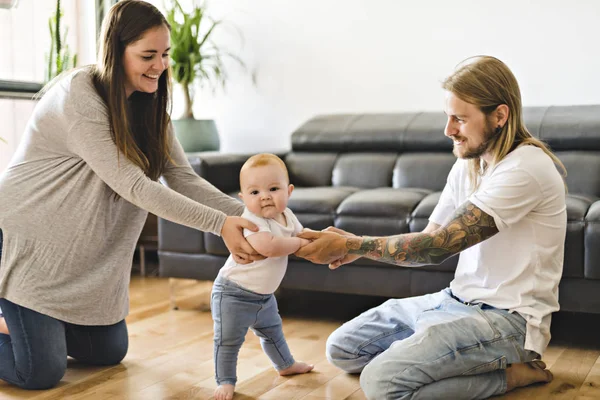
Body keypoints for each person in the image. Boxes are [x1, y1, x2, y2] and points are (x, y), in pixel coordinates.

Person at [0, 0, 263, 390]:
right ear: (115, 51)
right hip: (30, 242)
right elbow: (136, 186)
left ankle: (32, 324)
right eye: (147, 55)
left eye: (165, 54)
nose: (160, 65)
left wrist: (258, 219)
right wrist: (220, 225)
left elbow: (182, 178)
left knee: (107, 351)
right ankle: (21, 316)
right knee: (39, 371)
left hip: (79, 260)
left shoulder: (149, 106)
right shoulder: (79, 94)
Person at [295, 56, 567, 399]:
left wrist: (354, 246)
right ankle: (450, 358)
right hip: (454, 301)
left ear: (500, 115)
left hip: (509, 321)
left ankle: (513, 374)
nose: (448, 130)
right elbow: (426, 240)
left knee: (381, 384)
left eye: (460, 119)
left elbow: (438, 246)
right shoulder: (470, 164)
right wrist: (352, 243)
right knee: (343, 349)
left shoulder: (525, 168)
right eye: (447, 117)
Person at [212, 153, 314, 400]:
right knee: (228, 341)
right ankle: (225, 381)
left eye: (273, 188)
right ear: (243, 198)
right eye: (255, 192)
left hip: (264, 297)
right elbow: (268, 247)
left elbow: (303, 233)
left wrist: (319, 238)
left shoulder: (287, 215)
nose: (265, 196)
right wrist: (299, 243)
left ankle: (285, 365)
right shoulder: (252, 220)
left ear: (288, 191)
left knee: (273, 333)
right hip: (233, 293)